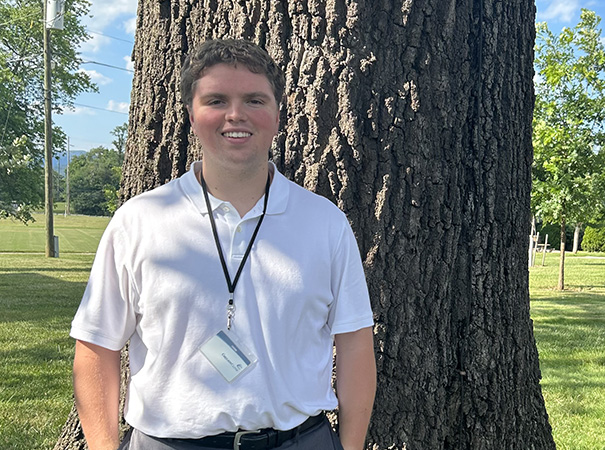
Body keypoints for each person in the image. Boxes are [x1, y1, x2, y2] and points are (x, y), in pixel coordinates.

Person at [70, 39, 376, 450]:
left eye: (254, 100)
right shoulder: (139, 221)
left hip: (300, 441)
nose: (236, 115)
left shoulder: (325, 224)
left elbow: (355, 344)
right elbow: (95, 346)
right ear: (192, 115)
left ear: (277, 115)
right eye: (216, 100)